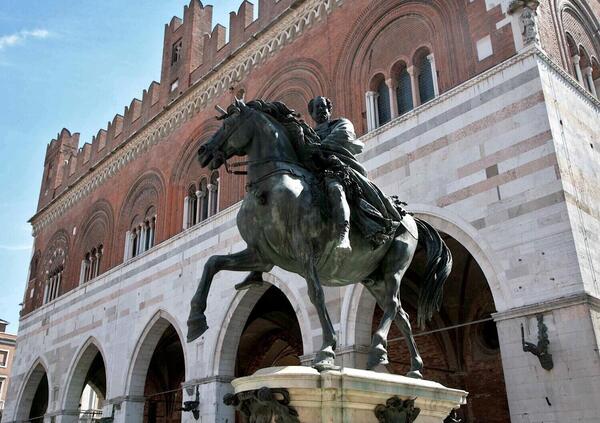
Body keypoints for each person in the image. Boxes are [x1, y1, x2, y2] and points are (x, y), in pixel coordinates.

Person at [306, 96, 404, 251]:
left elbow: (343, 135)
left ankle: (343, 235)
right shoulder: (308, 134)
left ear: (329, 110)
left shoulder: (340, 123)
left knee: (335, 188)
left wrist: (318, 147)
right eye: (317, 108)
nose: (321, 110)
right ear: (311, 114)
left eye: (323, 107)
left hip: (339, 167)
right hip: (315, 171)